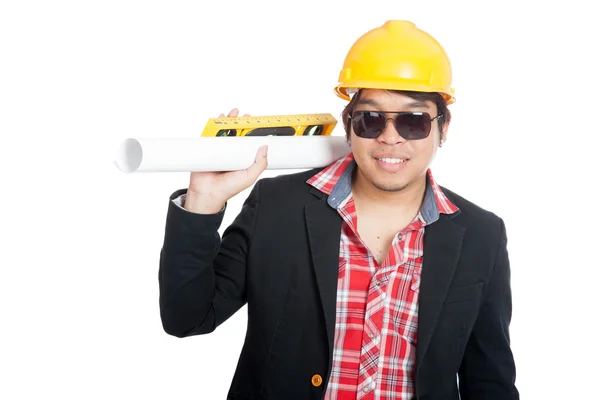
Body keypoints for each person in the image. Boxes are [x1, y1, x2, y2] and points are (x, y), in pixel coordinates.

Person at [158, 20, 519, 400]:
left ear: (443, 129)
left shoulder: (482, 235)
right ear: (348, 125)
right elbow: (187, 317)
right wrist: (202, 201)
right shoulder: (277, 207)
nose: (389, 137)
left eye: (413, 121)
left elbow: (489, 382)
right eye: (371, 119)